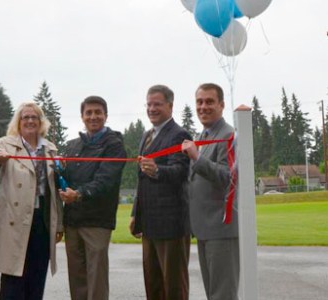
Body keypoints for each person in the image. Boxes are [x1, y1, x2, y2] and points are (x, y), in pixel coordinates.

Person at [0, 102, 64, 300]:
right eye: (25, 117)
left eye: (34, 117)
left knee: (36, 281)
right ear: (18, 122)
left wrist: (59, 224)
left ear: (41, 121)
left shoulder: (50, 149)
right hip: (15, 222)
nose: (30, 121)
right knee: (13, 283)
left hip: (42, 221)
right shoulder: (6, 144)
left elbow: (54, 190)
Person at [59, 96, 126, 300]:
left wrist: (78, 194)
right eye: (89, 113)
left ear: (106, 115)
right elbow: (65, 179)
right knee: (77, 280)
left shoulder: (114, 145)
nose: (93, 116)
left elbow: (105, 181)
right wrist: (59, 169)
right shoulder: (72, 146)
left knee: (96, 279)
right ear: (82, 116)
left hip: (97, 222)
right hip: (73, 221)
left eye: (98, 112)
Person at [129, 85, 192, 300]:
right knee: (153, 285)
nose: (152, 108)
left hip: (172, 225)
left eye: (157, 104)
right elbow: (141, 180)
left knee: (174, 286)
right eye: (149, 104)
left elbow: (181, 171)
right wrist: (135, 214)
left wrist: (157, 171)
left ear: (170, 106)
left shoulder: (179, 134)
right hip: (149, 224)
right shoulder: (147, 136)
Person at [181, 83, 239, 300]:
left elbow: (228, 177)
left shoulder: (228, 135)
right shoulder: (203, 135)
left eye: (209, 102)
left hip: (221, 228)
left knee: (223, 294)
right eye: (199, 102)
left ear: (222, 105)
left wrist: (197, 157)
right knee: (213, 292)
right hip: (205, 227)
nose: (203, 107)